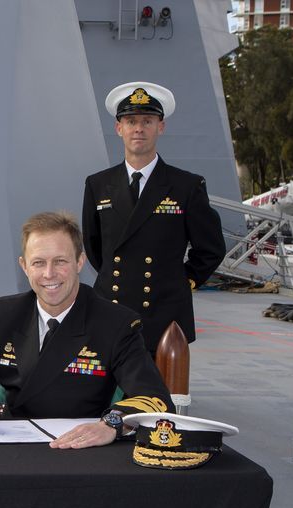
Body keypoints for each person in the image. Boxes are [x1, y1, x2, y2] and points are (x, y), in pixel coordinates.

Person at [0, 211, 172, 449]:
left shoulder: (115, 323)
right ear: (24, 266)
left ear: (80, 261)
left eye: (60, 261)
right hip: (14, 445)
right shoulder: (2, 315)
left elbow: (154, 399)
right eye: (38, 263)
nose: (49, 274)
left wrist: (110, 425)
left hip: (84, 448)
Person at [82, 82, 225, 353]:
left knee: (158, 393)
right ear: (119, 128)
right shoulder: (98, 185)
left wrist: (181, 282)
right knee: (107, 394)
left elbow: (211, 248)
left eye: (147, 121)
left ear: (161, 127)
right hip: (110, 307)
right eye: (131, 120)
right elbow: (94, 247)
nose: (139, 128)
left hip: (162, 312)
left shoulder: (186, 186)